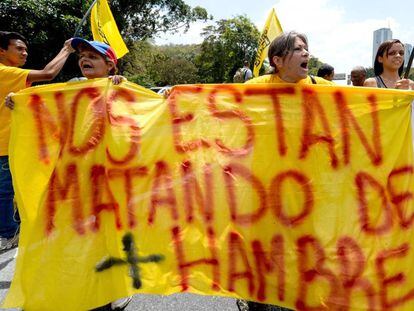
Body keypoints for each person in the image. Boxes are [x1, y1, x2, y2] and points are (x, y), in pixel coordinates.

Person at [0, 31, 74, 251]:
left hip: (13, 143)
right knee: (5, 192)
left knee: (11, 190)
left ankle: (15, 227)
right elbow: (48, 73)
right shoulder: (5, 72)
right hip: (5, 144)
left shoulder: (10, 76)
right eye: (19, 48)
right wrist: (66, 50)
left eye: (25, 49)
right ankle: (9, 233)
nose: (25, 52)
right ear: (2, 51)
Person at [246, 31, 333, 86]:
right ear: (278, 61)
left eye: (306, 49)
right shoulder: (254, 88)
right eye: (298, 49)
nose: (307, 53)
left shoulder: (320, 85)